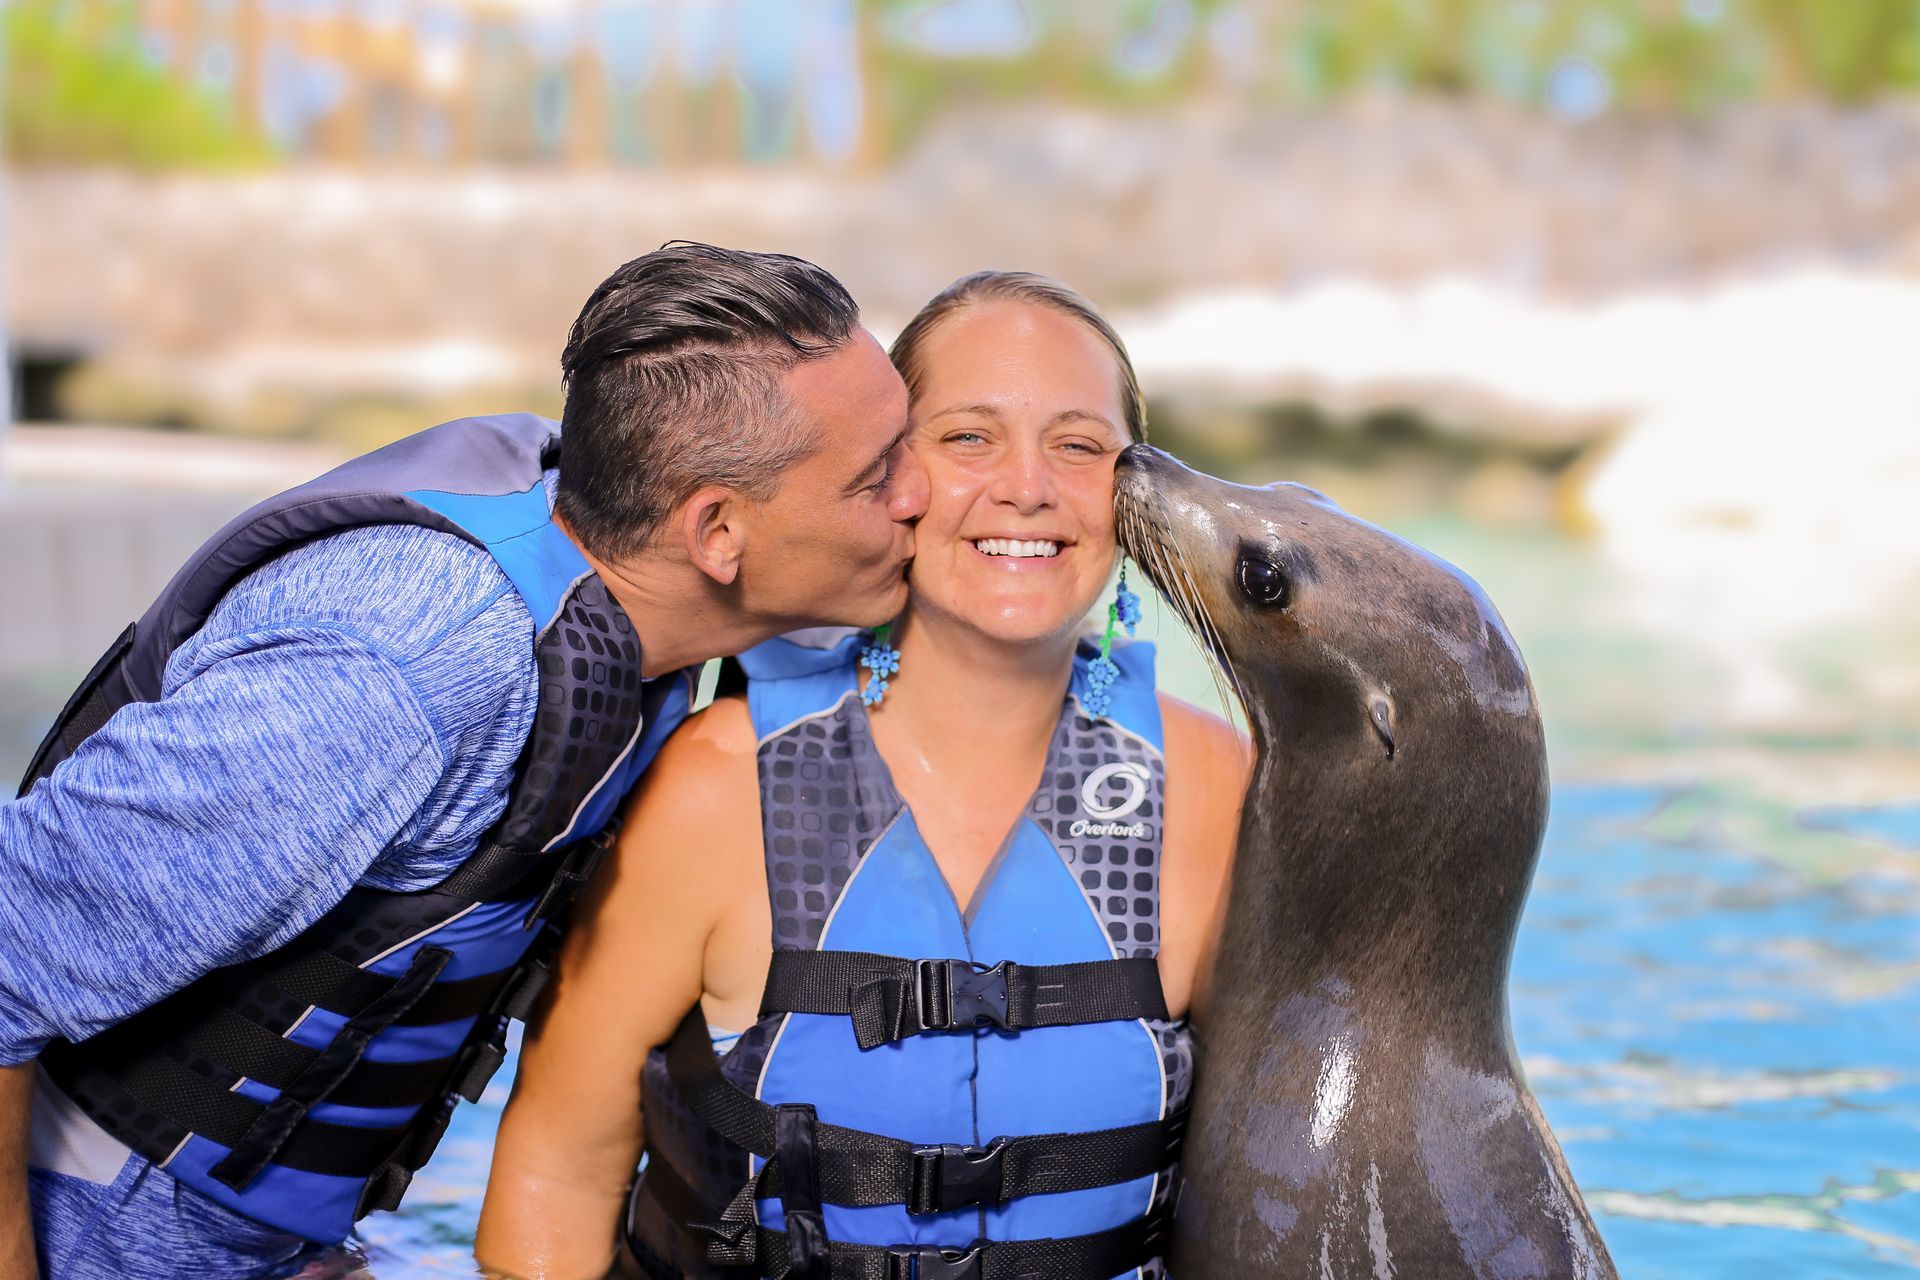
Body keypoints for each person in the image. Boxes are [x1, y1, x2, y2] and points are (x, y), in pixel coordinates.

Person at [0, 242, 931, 1280]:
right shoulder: (413, 665)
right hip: (97, 1224)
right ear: (716, 528)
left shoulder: (628, 585)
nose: (923, 491)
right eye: (877, 472)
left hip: (262, 1237)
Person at [478, 271, 1247, 1280]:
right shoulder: (721, 786)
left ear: (1133, 497)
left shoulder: (1213, 783)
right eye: (969, 436)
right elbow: (557, 1172)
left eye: (1080, 444)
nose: (1028, 485)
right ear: (893, 477)